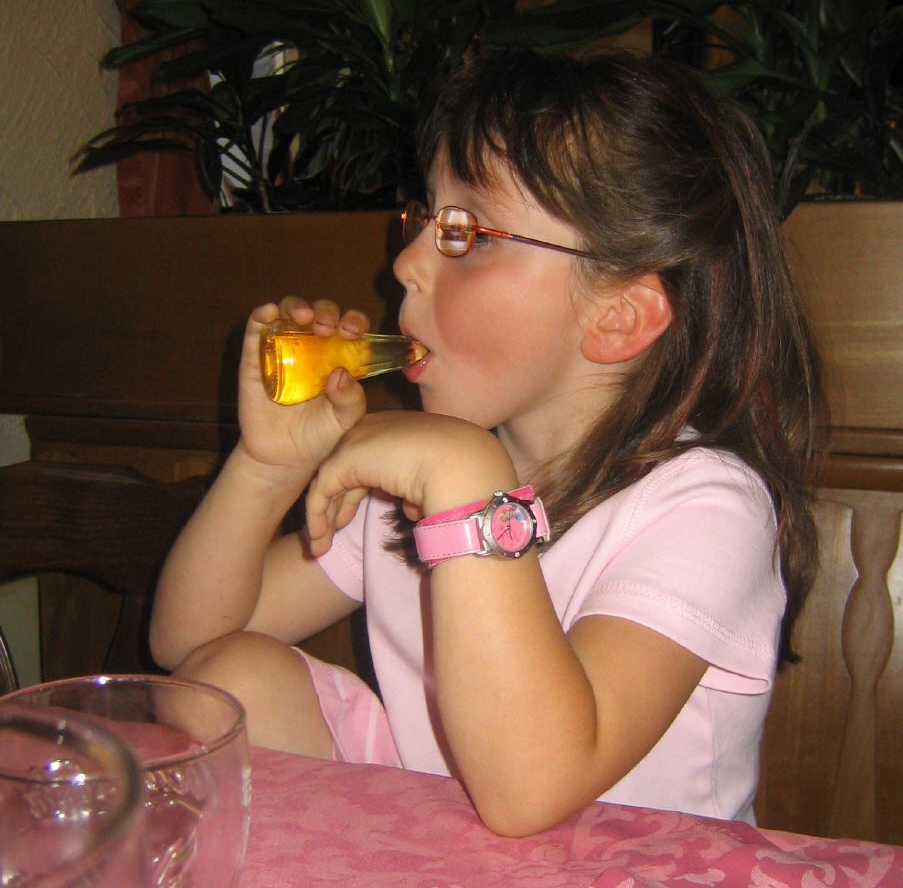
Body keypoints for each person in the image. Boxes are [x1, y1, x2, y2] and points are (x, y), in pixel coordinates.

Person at [150, 49, 824, 837]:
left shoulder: (706, 506)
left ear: (616, 318)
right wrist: (267, 465)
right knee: (226, 681)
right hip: (446, 851)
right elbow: (186, 644)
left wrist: (465, 477)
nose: (405, 262)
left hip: (634, 884)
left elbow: (532, 789)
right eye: (425, 219)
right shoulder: (421, 474)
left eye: (466, 234)